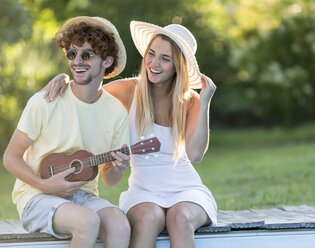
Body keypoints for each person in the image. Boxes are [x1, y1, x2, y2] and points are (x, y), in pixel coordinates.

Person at [43, 20, 217, 248]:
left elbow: (194, 155)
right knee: (147, 219)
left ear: (178, 66)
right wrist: (65, 79)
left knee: (180, 218)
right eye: (151, 54)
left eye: (165, 59)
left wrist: (204, 101)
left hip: (186, 189)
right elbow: (85, 92)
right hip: (143, 190)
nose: (154, 63)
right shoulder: (128, 90)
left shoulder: (190, 101)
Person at [3, 16, 132, 248]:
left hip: (82, 196)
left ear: (107, 60)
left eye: (87, 55)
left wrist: (118, 167)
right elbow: (10, 157)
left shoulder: (116, 112)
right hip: (36, 196)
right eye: (72, 54)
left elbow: (110, 181)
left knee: (120, 225)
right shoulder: (46, 101)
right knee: (87, 222)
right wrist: (45, 185)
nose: (77, 62)